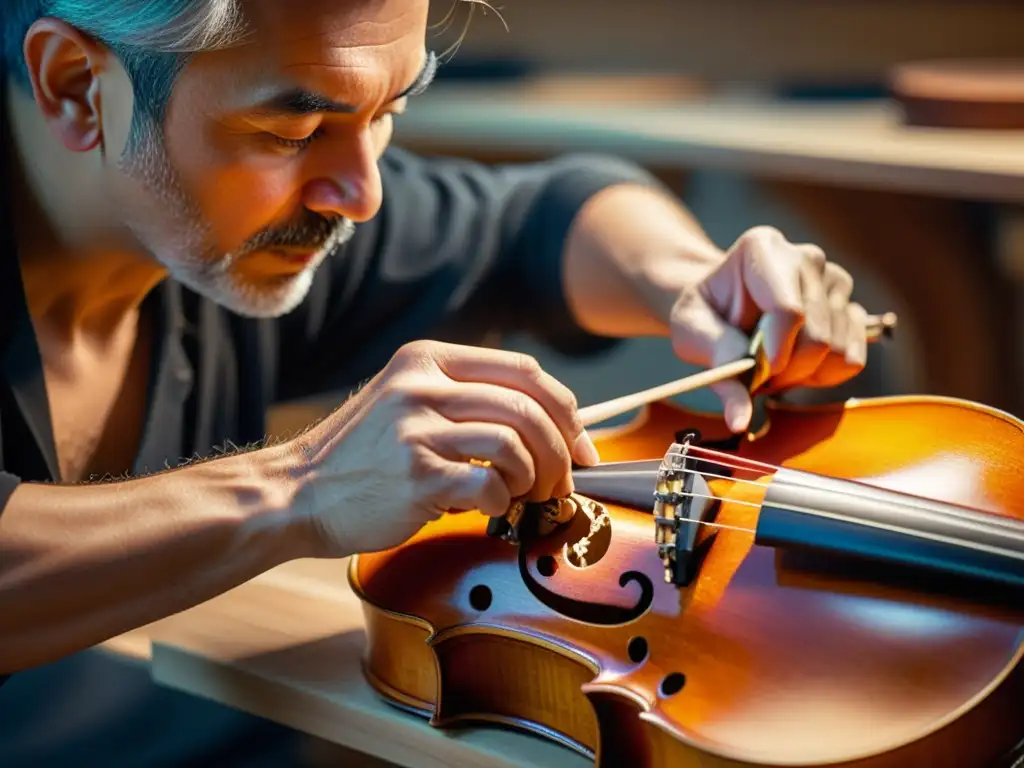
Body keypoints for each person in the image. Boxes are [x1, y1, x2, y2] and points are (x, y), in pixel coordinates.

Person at [0, 0, 870, 764]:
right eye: (293, 133)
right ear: (77, 84)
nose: (362, 193)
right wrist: (302, 487)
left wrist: (695, 280)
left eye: (388, 111)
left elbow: (537, 219)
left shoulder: (252, 218)